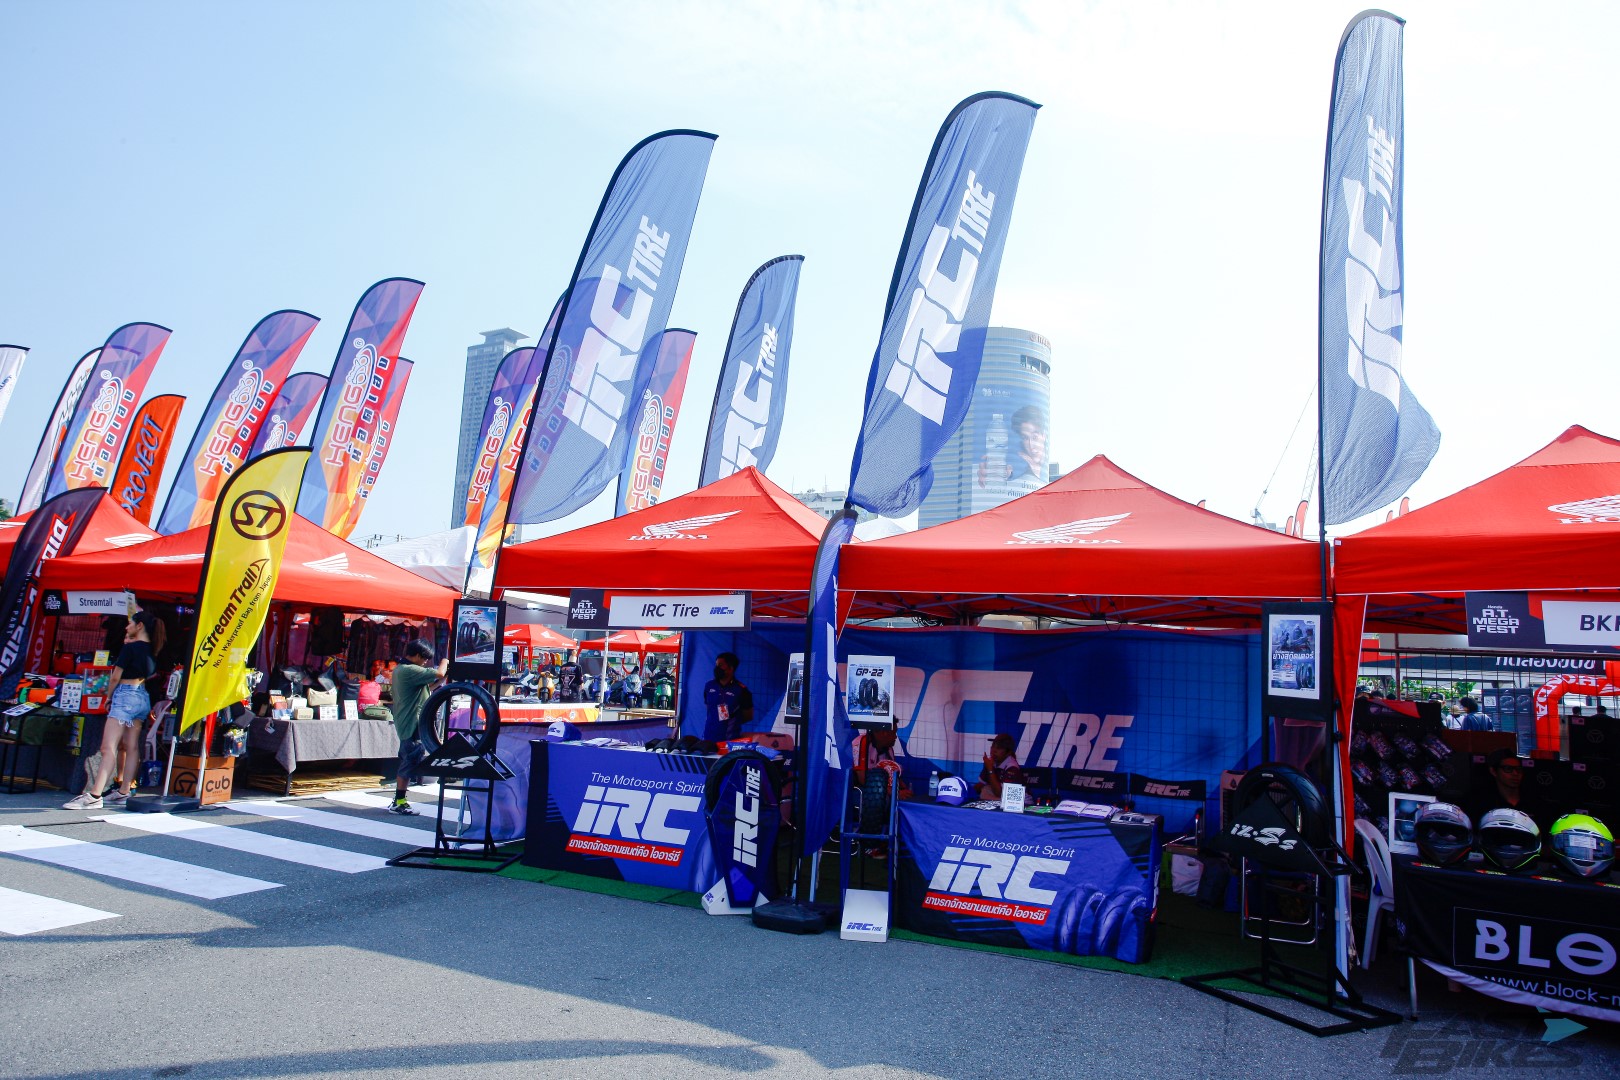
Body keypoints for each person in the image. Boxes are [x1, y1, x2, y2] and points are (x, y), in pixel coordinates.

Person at [64, 610, 165, 810]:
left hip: (125, 696)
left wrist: (109, 697)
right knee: (132, 746)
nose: (127, 627)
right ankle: (125, 790)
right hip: (142, 696)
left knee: (108, 747)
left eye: (130, 623)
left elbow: (115, 677)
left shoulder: (130, 648)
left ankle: (95, 795)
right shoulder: (153, 649)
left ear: (139, 626)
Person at [387, 640, 446, 815]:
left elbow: (428, 687)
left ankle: (399, 800)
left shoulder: (401, 669)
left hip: (409, 721)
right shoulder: (409, 669)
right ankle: (399, 802)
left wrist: (442, 680)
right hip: (411, 723)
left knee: (409, 759)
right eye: (425, 659)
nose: (426, 662)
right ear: (418, 655)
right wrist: (446, 660)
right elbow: (439, 672)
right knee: (409, 761)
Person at [1466, 748, 1549, 828]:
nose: (1515, 773)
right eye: (1508, 769)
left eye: (1518, 769)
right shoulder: (1481, 803)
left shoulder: (1534, 802)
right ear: (1493, 771)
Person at [703, 651, 753, 741]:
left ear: (731, 668)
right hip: (708, 738)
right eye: (716, 665)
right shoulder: (709, 686)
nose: (717, 668)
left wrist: (731, 722)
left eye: (720, 665)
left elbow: (748, 716)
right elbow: (709, 709)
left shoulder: (741, 690)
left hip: (729, 740)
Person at [977, 733, 1026, 801]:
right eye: (993, 746)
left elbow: (1000, 794)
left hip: (1022, 803)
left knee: (986, 790)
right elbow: (981, 785)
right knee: (985, 789)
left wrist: (990, 769)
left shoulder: (1012, 768)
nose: (994, 750)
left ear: (1008, 752)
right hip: (1004, 801)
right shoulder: (991, 762)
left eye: (999, 748)